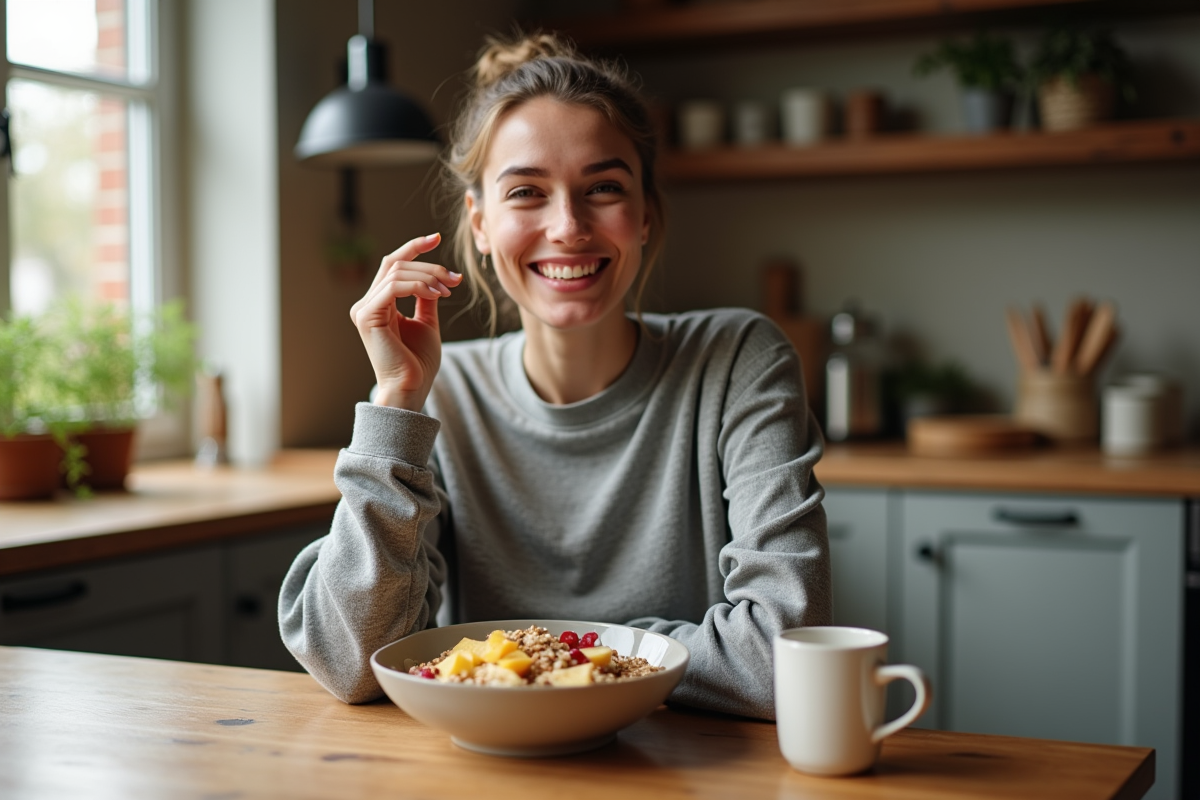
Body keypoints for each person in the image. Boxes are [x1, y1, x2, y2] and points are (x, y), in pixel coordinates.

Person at [279, 33, 830, 720]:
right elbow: (350, 662)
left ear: (646, 215)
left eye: (602, 188)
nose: (567, 227)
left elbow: (778, 661)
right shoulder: (437, 391)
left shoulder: (739, 357)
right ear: (479, 223)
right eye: (527, 193)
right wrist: (396, 404)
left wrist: (510, 659)